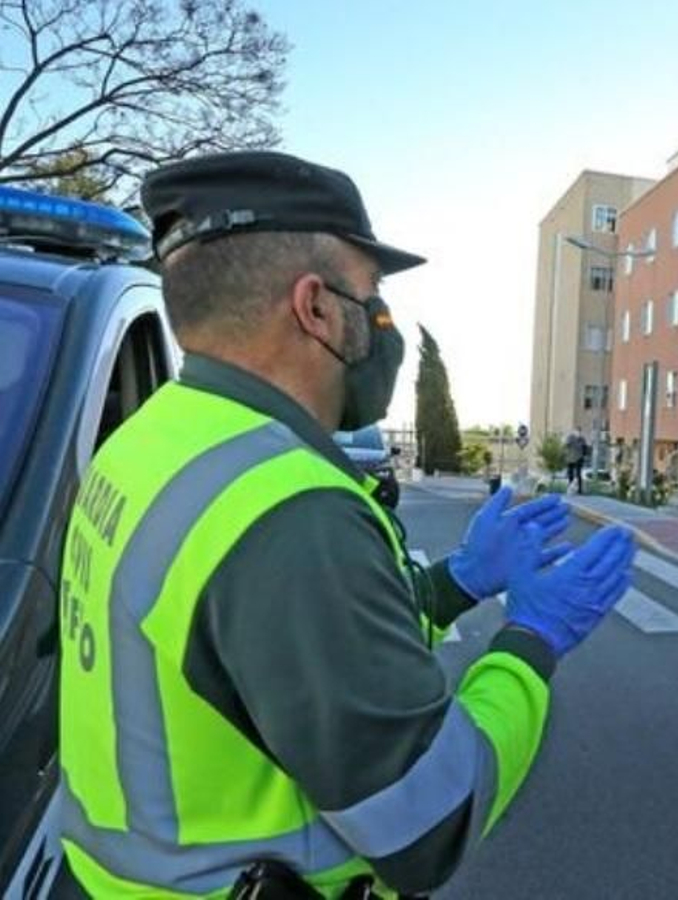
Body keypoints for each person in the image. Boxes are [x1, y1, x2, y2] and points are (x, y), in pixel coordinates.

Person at [55, 151, 638, 898]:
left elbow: (278, 650)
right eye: (373, 300)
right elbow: (430, 825)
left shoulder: (156, 437)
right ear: (317, 308)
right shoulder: (289, 512)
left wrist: (453, 584)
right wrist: (531, 643)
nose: (384, 328)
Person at [563, 429, 589, 494]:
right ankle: (570, 486)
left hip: (579, 458)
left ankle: (579, 489)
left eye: (579, 433)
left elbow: (585, 448)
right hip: (570, 458)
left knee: (578, 473)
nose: (578, 434)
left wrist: (584, 455)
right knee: (570, 472)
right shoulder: (570, 437)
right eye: (577, 433)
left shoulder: (582, 439)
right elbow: (566, 445)